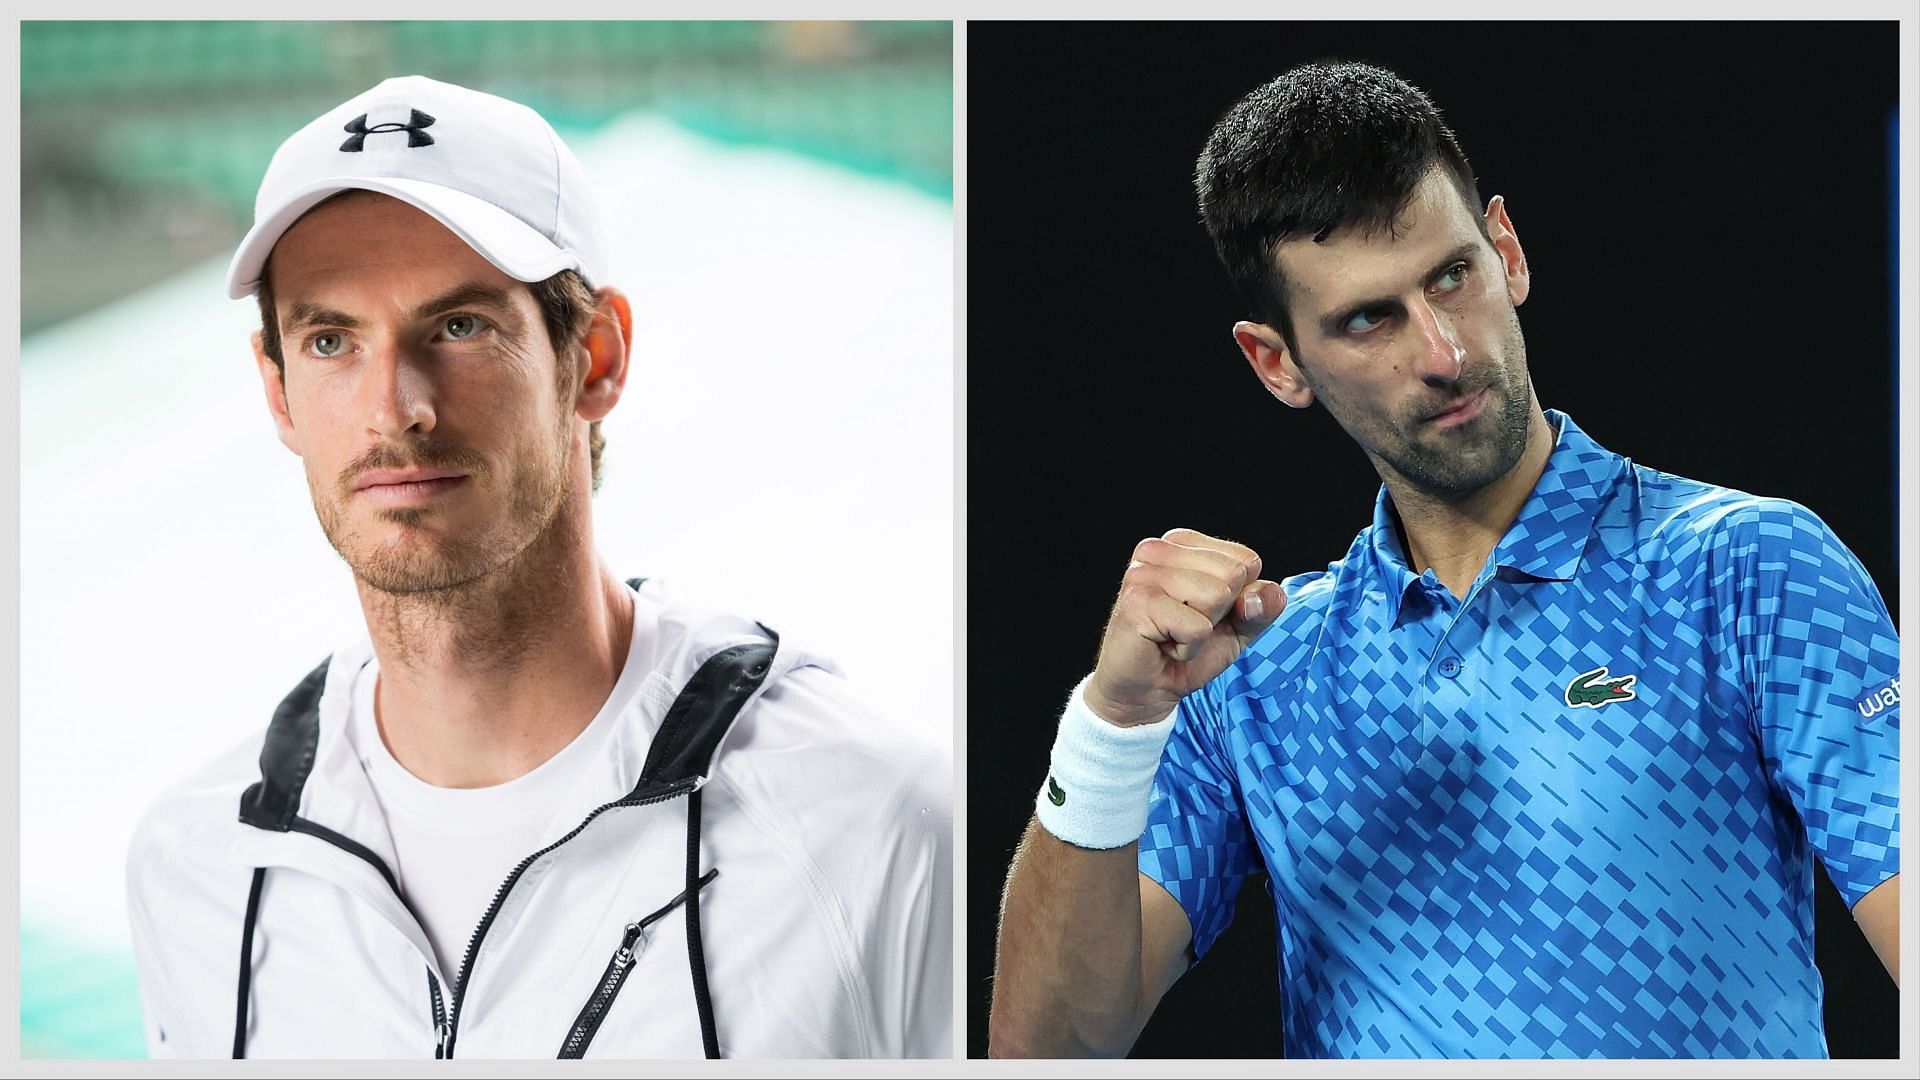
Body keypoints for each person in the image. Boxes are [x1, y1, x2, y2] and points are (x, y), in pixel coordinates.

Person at [988, 61, 1899, 1059]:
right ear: (1277, 362)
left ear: (1505, 250)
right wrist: (1114, 725)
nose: (1445, 353)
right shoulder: (1252, 673)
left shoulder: (1746, 570)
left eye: (1450, 277)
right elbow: (1048, 1051)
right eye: (1369, 318)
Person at [124, 75, 951, 1060]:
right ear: (279, 393)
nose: (395, 408)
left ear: (594, 359)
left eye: (460, 326)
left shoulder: (868, 823)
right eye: (333, 339)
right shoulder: (197, 867)